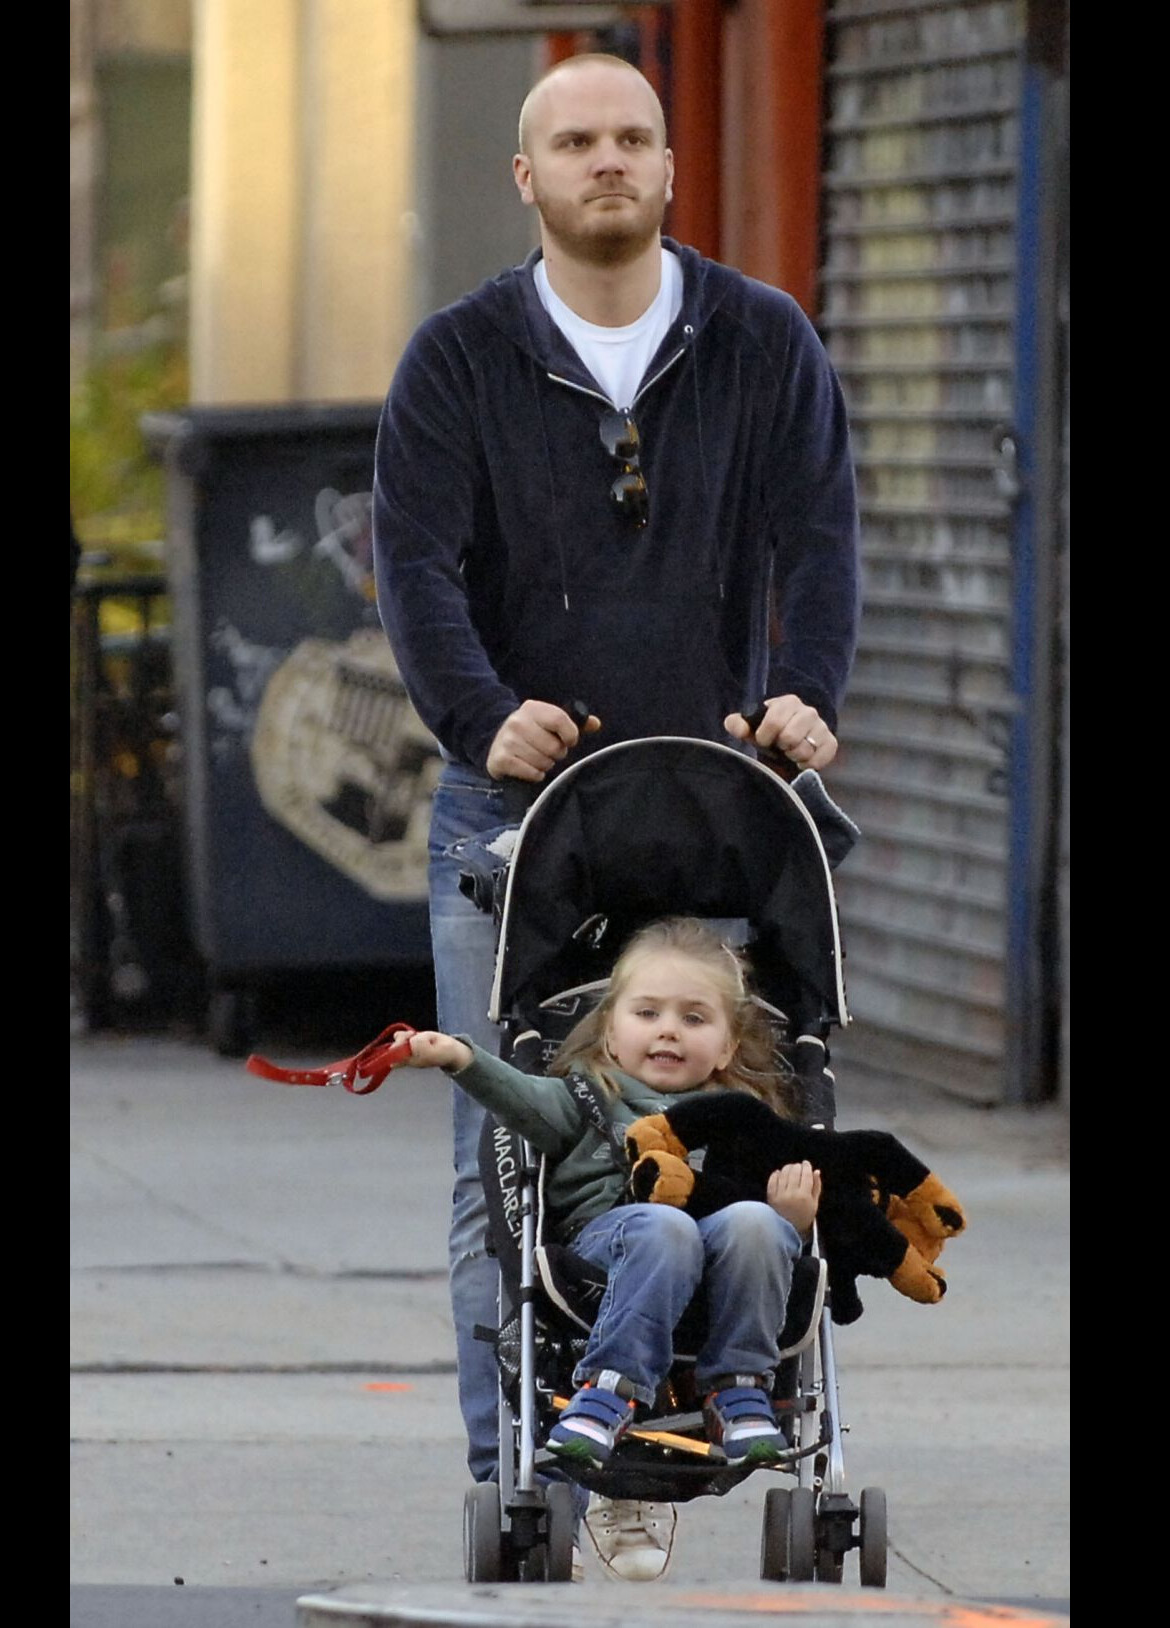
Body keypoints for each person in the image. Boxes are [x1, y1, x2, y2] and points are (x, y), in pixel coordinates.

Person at [371, 51, 859, 1580]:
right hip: (514, 805)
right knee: (500, 1159)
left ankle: (693, 1430)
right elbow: (418, 562)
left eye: (633, 138)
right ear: (526, 175)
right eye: (574, 141)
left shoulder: (760, 340)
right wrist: (477, 712)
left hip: (720, 800)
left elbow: (819, 532)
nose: (608, 161)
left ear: (667, 168)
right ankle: (517, 1485)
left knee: (716, 1137)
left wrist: (803, 692)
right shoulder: (458, 359)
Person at [386, 918, 822, 1577]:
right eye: (648, 1013)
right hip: (606, 1258)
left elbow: (778, 1233)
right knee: (663, 1224)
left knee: (758, 1224)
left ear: (729, 1045)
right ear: (612, 1031)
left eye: (694, 1017)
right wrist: (461, 1059)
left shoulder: (750, 1120)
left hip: (722, 1282)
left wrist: (791, 1220)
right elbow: (518, 1097)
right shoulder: (586, 1097)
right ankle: (609, 1387)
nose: (669, 1030)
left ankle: (738, 1383)